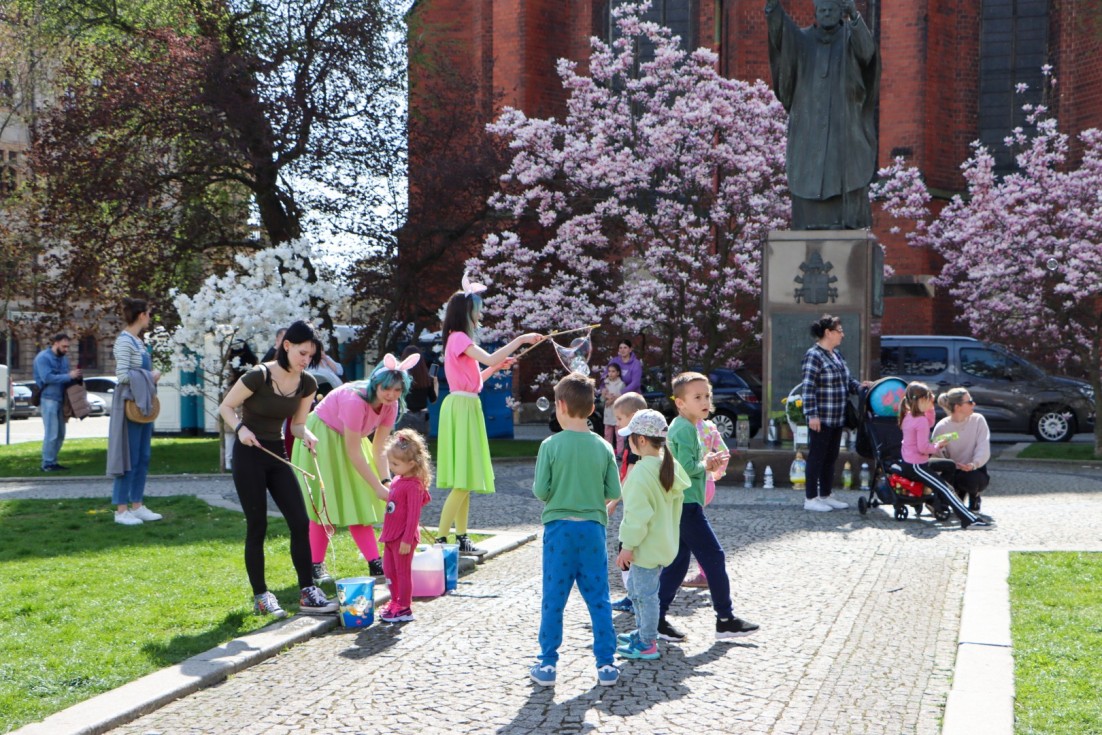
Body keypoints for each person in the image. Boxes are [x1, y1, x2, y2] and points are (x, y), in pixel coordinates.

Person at [218, 320, 338, 618]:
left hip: (277, 454)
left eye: (310, 355)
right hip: (249, 455)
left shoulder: (307, 383)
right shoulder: (259, 375)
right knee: (257, 525)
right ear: (286, 346)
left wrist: (307, 434)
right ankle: (261, 596)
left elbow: (297, 424)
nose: (305, 360)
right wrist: (241, 429)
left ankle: (308, 591)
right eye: (301, 353)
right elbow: (226, 407)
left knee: (299, 521)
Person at [434, 277, 542, 553]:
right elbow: (490, 359)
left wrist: (496, 367)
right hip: (462, 408)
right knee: (463, 481)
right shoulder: (459, 338)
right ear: (466, 312)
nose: (479, 316)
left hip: (466, 405)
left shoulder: (458, 340)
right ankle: (441, 540)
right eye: (477, 311)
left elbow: (476, 380)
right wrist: (521, 339)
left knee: (466, 480)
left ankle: (461, 537)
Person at [293, 352, 420, 583]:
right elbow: (353, 451)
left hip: (351, 437)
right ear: (376, 384)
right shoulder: (355, 401)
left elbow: (379, 447)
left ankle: (374, 562)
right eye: (386, 389)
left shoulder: (391, 405)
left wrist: (386, 482)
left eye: (397, 390)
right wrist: (377, 487)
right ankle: (315, 564)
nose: (391, 394)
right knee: (325, 503)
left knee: (360, 500)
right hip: (323, 436)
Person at [530, 372, 622, 688]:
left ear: (560, 405)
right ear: (592, 407)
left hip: (559, 532)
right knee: (599, 597)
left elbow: (541, 490)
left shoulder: (550, 445)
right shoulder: (604, 447)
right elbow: (614, 490)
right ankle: (606, 663)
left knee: (554, 598)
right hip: (592, 531)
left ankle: (547, 663)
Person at [657, 372, 759, 642]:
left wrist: (706, 463)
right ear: (680, 403)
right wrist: (707, 463)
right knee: (714, 557)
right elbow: (686, 467)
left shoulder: (685, 426)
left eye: (707, 396)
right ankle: (725, 619)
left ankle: (655, 617)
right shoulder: (685, 429)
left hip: (684, 504)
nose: (705, 402)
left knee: (678, 564)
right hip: (687, 506)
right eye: (697, 397)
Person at [765, 0, 880, 230]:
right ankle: (810, 222)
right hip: (808, 129)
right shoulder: (802, 40)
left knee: (846, 173)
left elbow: (867, 53)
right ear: (816, 12)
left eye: (831, 10)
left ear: (840, 12)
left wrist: (854, 15)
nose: (827, 14)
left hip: (843, 128)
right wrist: (773, 6)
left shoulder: (850, 38)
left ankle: (845, 220)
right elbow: (782, 34)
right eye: (822, 10)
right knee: (808, 172)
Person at [614, 409, 688, 661]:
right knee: (637, 590)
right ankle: (643, 631)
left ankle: (647, 642)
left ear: (642, 440)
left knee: (645, 595)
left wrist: (627, 546)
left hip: (644, 547)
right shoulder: (669, 466)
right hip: (662, 542)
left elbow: (636, 517)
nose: (628, 442)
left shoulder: (641, 473)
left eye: (630, 437)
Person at [899, 382, 993, 530]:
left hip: (912, 462)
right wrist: (939, 445)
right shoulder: (920, 421)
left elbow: (929, 422)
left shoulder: (910, 416)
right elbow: (923, 448)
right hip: (917, 465)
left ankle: (939, 503)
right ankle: (969, 520)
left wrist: (930, 408)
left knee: (948, 465)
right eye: (929, 398)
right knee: (947, 489)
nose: (932, 400)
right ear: (921, 400)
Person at [107, 298, 162, 526]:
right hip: (129, 405)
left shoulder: (138, 341)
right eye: (149, 313)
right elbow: (122, 376)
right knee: (127, 457)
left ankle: (137, 505)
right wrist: (150, 376)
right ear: (141, 315)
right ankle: (121, 509)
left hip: (143, 405)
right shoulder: (124, 341)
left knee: (142, 456)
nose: (150, 317)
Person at [801, 314, 864, 512]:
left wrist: (862, 387)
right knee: (817, 457)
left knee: (831, 457)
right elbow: (808, 388)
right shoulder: (814, 355)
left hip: (837, 417)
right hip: (821, 418)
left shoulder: (836, 355)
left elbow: (848, 381)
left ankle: (825, 494)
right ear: (828, 333)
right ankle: (811, 498)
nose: (842, 335)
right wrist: (812, 415)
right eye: (839, 331)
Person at [377, 429, 433, 624]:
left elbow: (413, 515)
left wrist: (407, 540)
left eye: (395, 464)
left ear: (411, 464)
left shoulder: (414, 486)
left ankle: (404, 607)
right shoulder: (398, 480)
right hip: (391, 535)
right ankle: (394, 601)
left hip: (403, 537)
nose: (392, 468)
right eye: (391, 463)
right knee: (389, 571)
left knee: (402, 573)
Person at [608, 391, 648, 614]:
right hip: (638, 503)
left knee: (626, 550)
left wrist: (614, 502)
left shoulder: (635, 444)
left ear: (633, 416)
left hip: (634, 506)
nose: (617, 423)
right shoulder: (644, 441)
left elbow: (630, 477)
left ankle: (633, 597)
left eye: (620, 418)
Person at [682, 413, 729, 588]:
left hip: (692, 486)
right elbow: (725, 452)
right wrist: (718, 473)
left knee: (693, 531)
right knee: (691, 527)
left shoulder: (684, 428)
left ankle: (704, 574)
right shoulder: (710, 428)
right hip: (708, 484)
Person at [935, 388, 992, 513]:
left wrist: (973, 464)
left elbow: (983, 446)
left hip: (974, 469)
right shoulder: (942, 427)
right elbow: (936, 456)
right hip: (953, 471)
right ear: (957, 406)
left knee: (972, 479)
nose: (974, 404)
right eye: (970, 402)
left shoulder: (978, 420)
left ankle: (974, 495)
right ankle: (956, 493)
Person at [33, 332, 81, 472]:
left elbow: (66, 376)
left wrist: (75, 377)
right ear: (56, 343)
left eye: (67, 347)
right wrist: (69, 376)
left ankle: (53, 461)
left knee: (60, 434)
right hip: (48, 399)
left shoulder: (63, 359)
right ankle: (47, 463)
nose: (66, 349)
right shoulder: (43, 358)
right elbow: (47, 378)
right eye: (64, 346)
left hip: (61, 399)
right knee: (52, 433)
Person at [395, 345, 436, 434]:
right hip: (423, 416)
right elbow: (433, 399)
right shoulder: (427, 378)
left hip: (405, 414)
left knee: (402, 442)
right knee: (421, 442)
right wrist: (435, 383)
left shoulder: (401, 378)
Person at [601, 363, 625, 450]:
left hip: (618, 413)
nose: (610, 373)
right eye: (609, 371)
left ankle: (620, 453)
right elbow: (601, 400)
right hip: (608, 412)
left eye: (613, 371)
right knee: (607, 435)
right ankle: (608, 452)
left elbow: (623, 398)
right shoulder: (605, 384)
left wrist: (613, 399)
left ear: (618, 373)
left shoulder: (621, 384)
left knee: (619, 436)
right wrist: (604, 396)